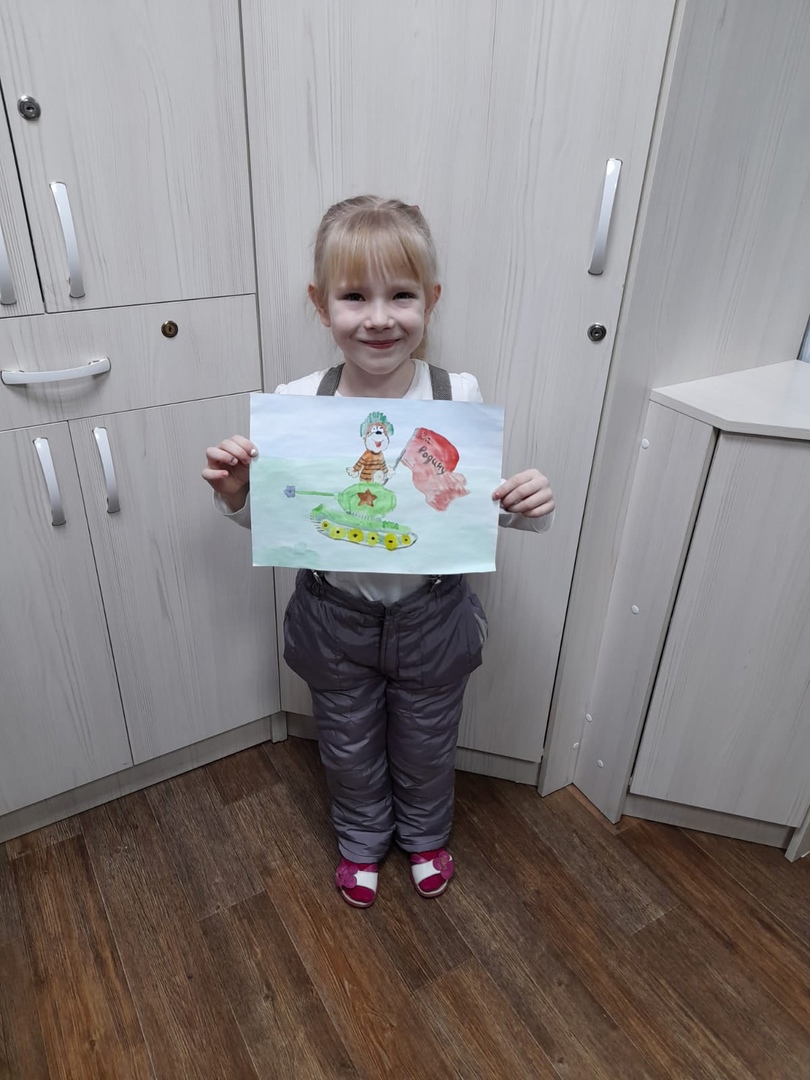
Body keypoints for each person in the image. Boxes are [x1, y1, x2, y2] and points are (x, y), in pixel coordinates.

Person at [203, 196, 555, 907]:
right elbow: (281, 522)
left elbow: (467, 508)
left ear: (431, 300)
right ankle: (362, 841)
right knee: (346, 742)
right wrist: (238, 494)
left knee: (428, 741)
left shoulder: (457, 394)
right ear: (320, 304)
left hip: (433, 616)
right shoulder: (299, 401)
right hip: (334, 617)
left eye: (401, 295)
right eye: (354, 296)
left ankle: (425, 837)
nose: (379, 318)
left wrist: (526, 508)